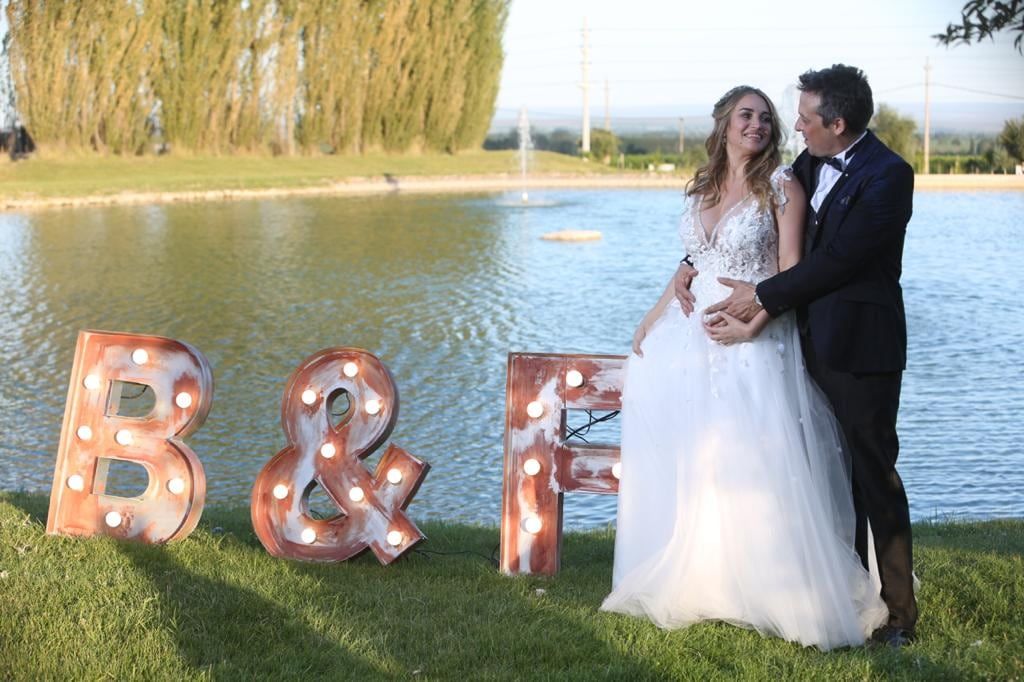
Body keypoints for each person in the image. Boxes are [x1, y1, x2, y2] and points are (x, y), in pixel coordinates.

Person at [601, 85, 889, 651]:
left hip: (752, 333)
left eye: (765, 117)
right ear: (724, 125)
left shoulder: (783, 186)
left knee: (752, 455)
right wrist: (657, 309)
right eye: (745, 116)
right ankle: (699, 574)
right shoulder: (703, 185)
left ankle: (771, 584)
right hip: (690, 338)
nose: (756, 125)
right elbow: (694, 258)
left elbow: (791, 270)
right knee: (696, 453)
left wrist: (753, 320)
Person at [685, 65, 918, 648]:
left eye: (806, 117)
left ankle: (899, 613)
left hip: (860, 346)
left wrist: (760, 297)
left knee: (871, 472)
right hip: (799, 341)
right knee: (820, 473)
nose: (795, 126)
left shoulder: (890, 176)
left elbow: (839, 259)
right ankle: (836, 587)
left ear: (836, 123)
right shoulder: (808, 166)